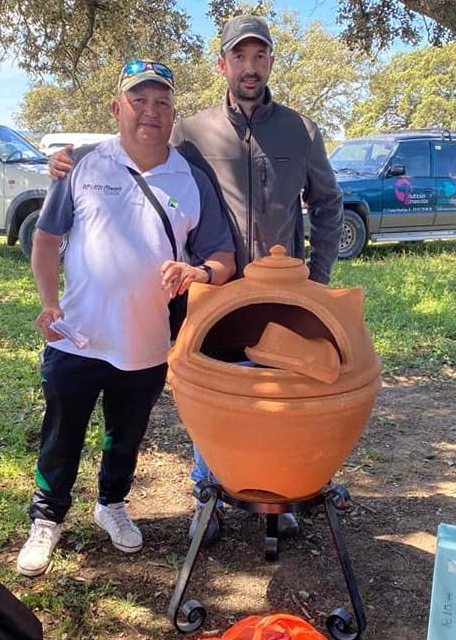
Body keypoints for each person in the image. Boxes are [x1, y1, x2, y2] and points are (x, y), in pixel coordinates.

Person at [49, 15, 342, 546]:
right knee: (217, 393)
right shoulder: (191, 130)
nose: (250, 68)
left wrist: (317, 279)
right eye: (239, 57)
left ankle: (275, 497)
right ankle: (208, 493)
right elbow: (138, 146)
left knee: (282, 391)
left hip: (285, 294)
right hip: (215, 293)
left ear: (271, 62)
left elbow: (328, 203)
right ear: (223, 64)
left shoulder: (302, 130)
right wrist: (71, 159)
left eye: (260, 57)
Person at [16, 59, 236, 578]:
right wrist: (48, 302)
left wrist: (196, 270)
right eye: (139, 101)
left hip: (145, 342)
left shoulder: (191, 178)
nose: (150, 112)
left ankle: (112, 503)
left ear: (173, 113)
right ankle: (46, 519)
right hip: (77, 336)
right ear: (118, 108)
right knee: (62, 434)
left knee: (126, 433)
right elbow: (46, 241)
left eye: (162, 102)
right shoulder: (84, 166)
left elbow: (222, 260)